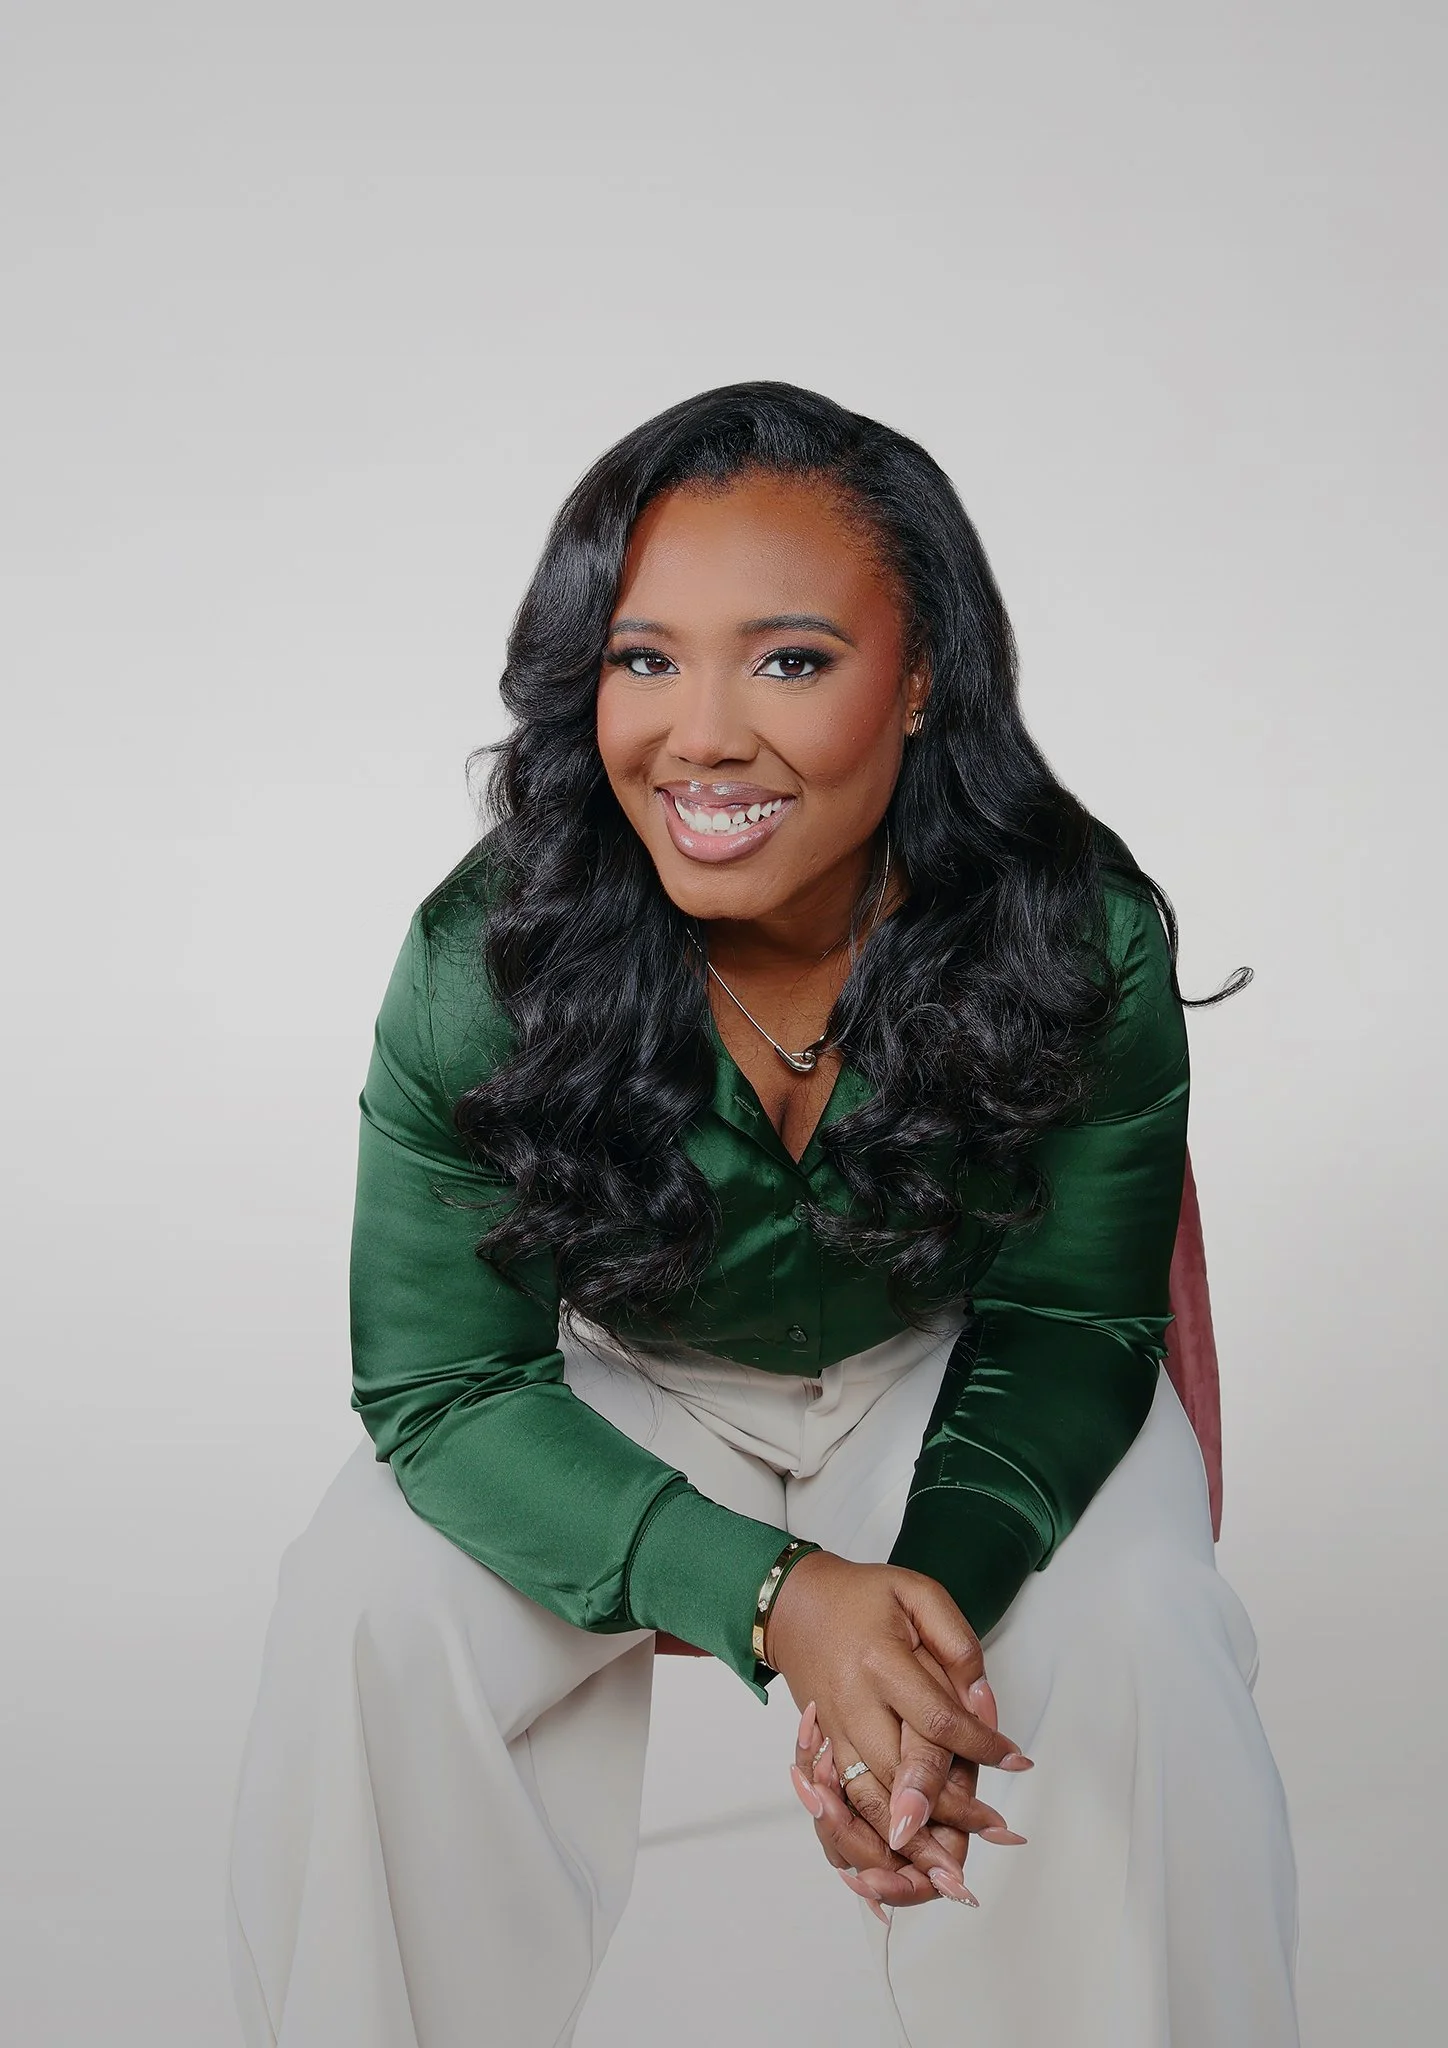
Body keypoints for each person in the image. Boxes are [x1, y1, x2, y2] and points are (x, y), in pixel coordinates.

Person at [223, 381, 1301, 2047]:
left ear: (924, 673)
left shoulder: (1076, 932)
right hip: (626, 1386)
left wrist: (907, 1647)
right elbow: (441, 1387)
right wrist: (781, 1599)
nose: (702, 734)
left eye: (790, 659)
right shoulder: (477, 960)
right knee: (362, 1603)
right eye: (645, 659)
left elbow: (1076, 1324)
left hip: (950, 1374)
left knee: (1144, 1629)